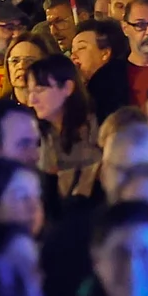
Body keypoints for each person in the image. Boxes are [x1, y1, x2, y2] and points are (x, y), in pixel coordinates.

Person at [24, 54, 101, 199]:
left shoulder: (95, 129)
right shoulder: (36, 133)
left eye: (40, 90)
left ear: (67, 87)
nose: (31, 100)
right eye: (29, 92)